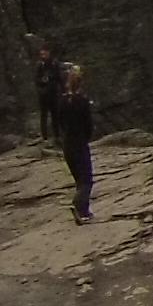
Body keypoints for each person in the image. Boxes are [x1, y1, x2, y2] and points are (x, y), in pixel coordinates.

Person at [57, 64, 95, 223]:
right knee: (86, 179)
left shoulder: (62, 101)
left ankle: (85, 211)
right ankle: (78, 205)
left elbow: (58, 121)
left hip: (67, 143)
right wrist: (87, 136)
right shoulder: (83, 101)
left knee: (79, 179)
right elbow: (88, 124)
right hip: (79, 143)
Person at [32, 40, 63, 139]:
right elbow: (36, 79)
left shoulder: (54, 63)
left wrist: (62, 90)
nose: (43, 55)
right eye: (42, 53)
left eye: (45, 53)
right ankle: (44, 136)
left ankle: (57, 136)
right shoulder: (39, 65)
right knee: (44, 115)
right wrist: (43, 81)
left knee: (55, 115)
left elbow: (59, 77)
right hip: (43, 94)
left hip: (53, 93)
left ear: (49, 52)